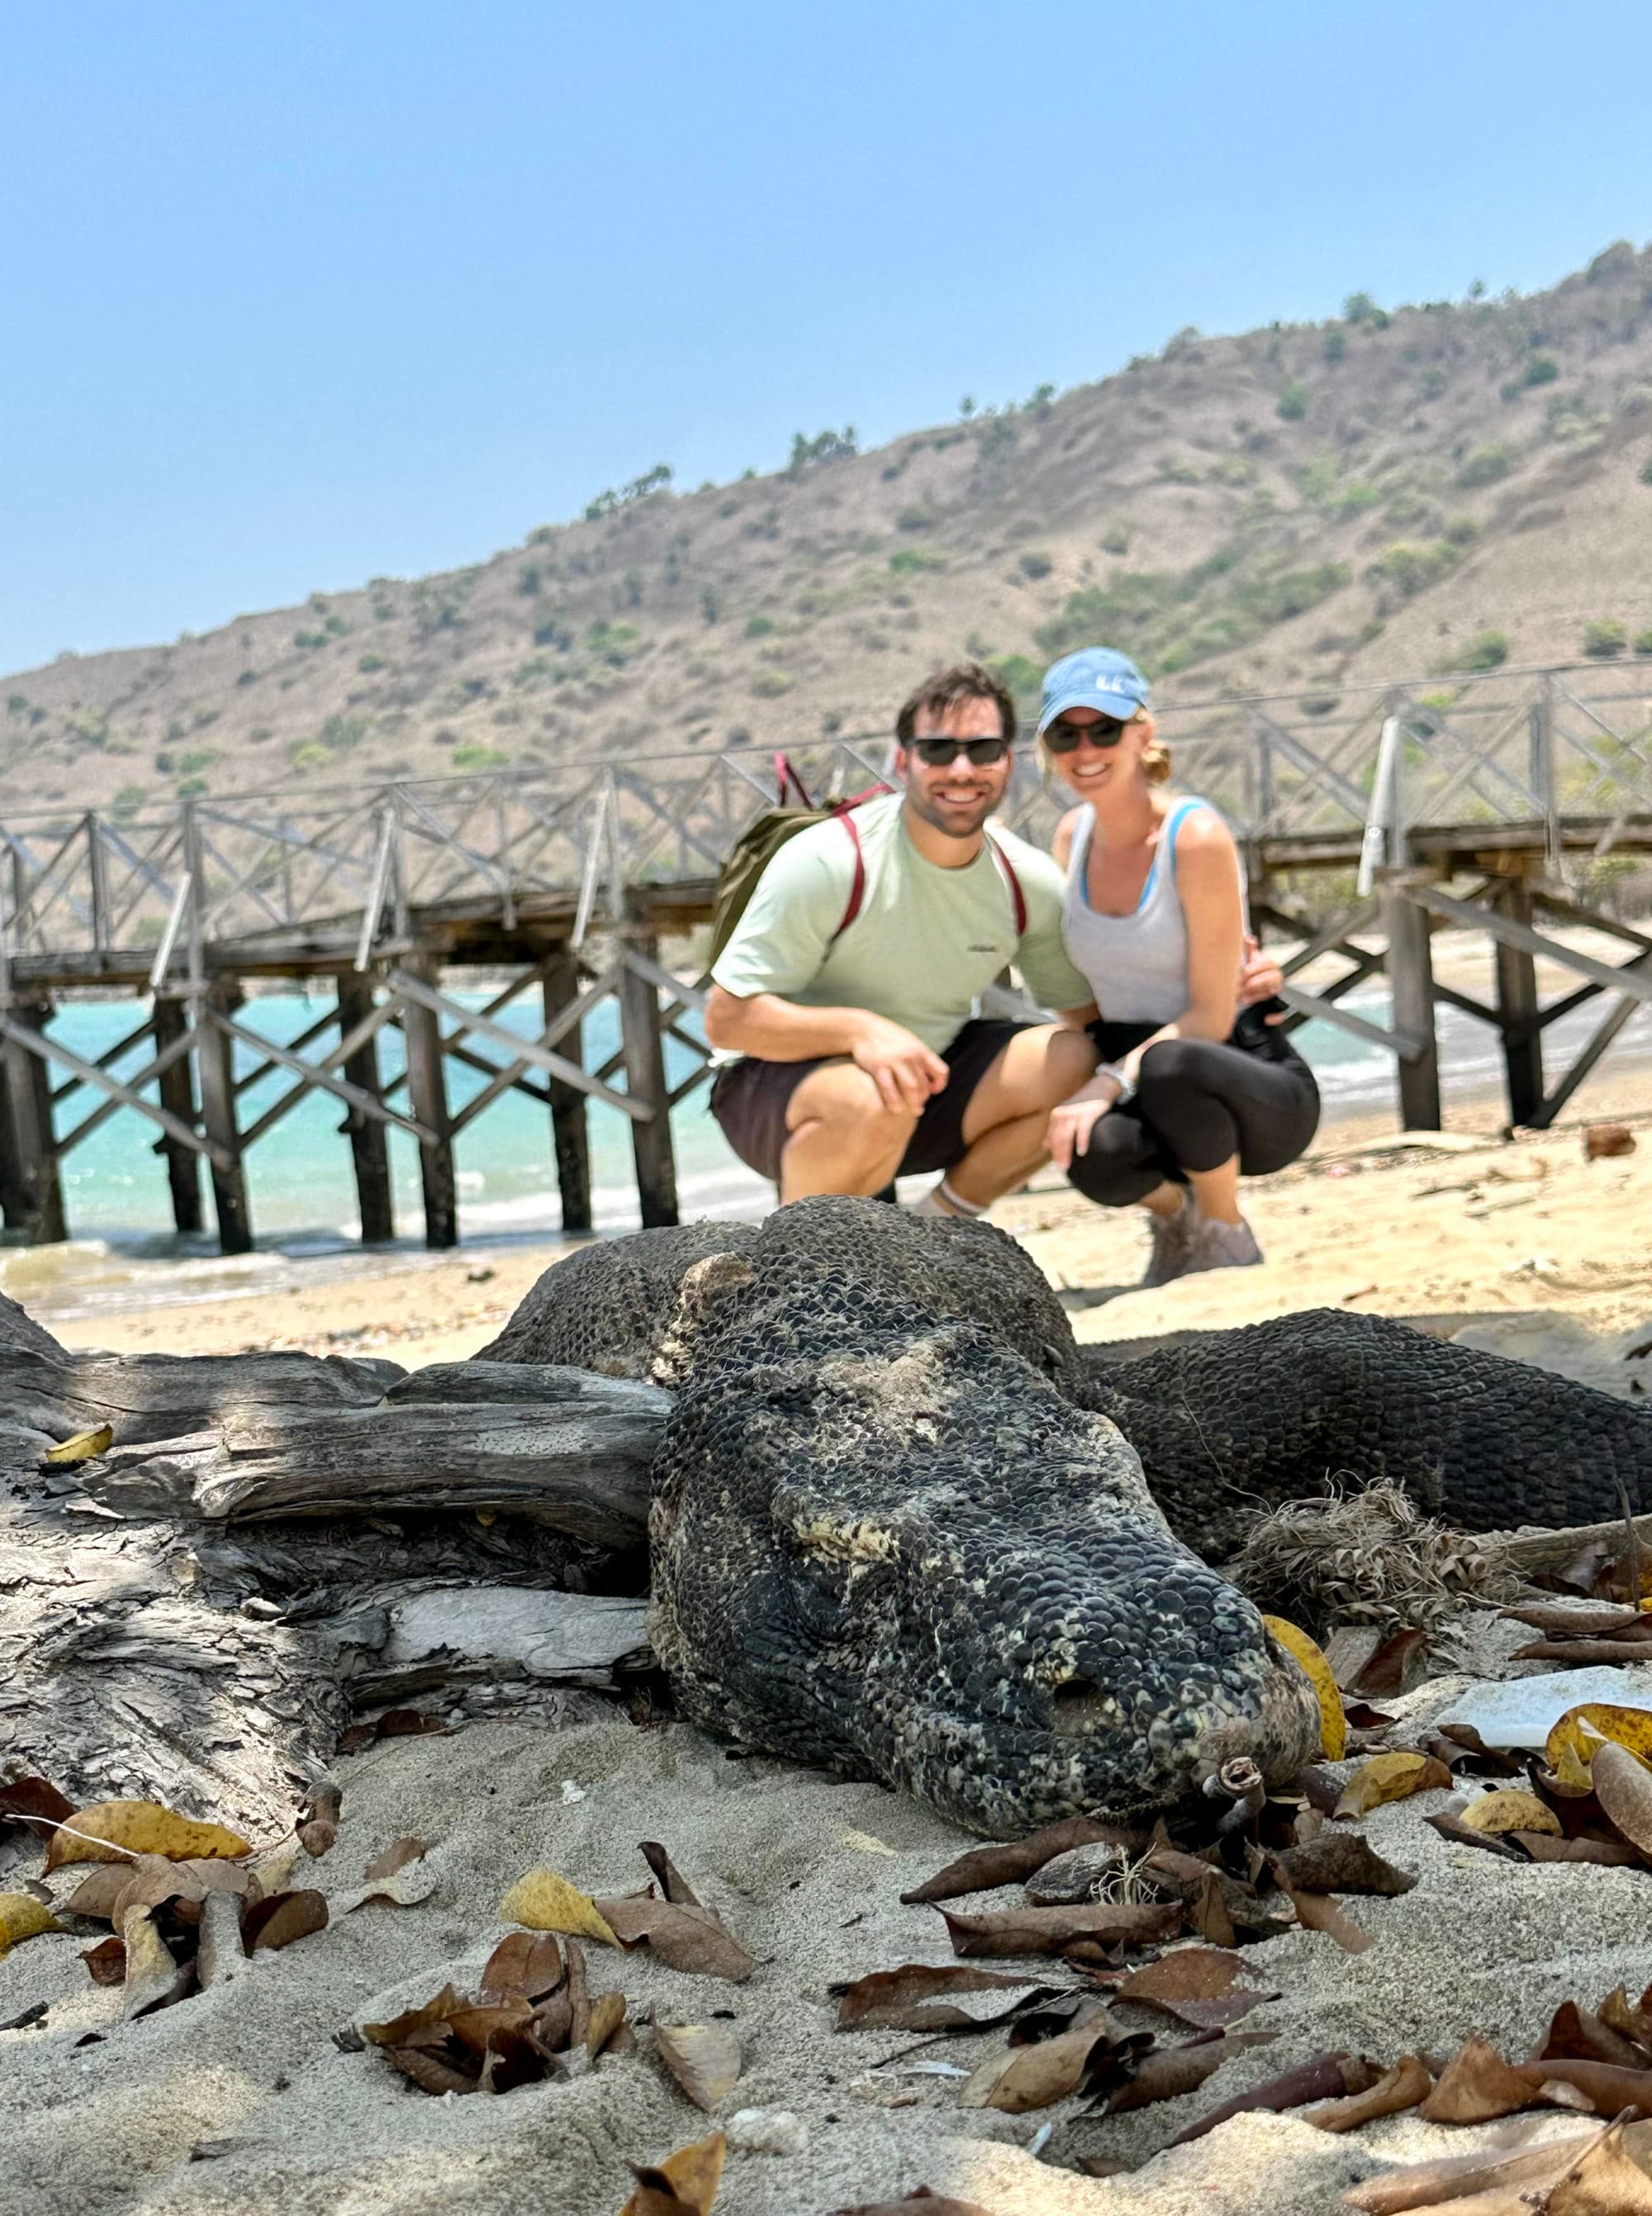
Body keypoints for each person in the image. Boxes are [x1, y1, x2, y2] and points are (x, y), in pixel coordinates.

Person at [704, 663, 1101, 1216]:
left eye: (983, 750)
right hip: (782, 1091)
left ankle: (937, 1226)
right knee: (870, 1098)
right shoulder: (829, 860)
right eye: (938, 750)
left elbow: (1094, 1022)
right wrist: (861, 1031)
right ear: (902, 760)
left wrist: (1215, 1000)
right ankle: (802, 1263)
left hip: (924, 1088)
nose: (961, 769)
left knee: (1073, 1058)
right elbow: (727, 1019)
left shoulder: (1025, 881)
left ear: (1008, 762)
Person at [1038, 646, 1320, 1283]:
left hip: (1243, 1077)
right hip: (1146, 1078)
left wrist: (1106, 1083)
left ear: (1143, 733)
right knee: (1089, 1147)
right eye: (1066, 733)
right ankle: (1178, 1219)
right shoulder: (1067, 837)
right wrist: (1085, 1073)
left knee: (1171, 1064)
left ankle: (1225, 1227)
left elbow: (1211, 1017)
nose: (1085, 749)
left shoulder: (1194, 835)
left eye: (1104, 729)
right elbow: (1070, 980)